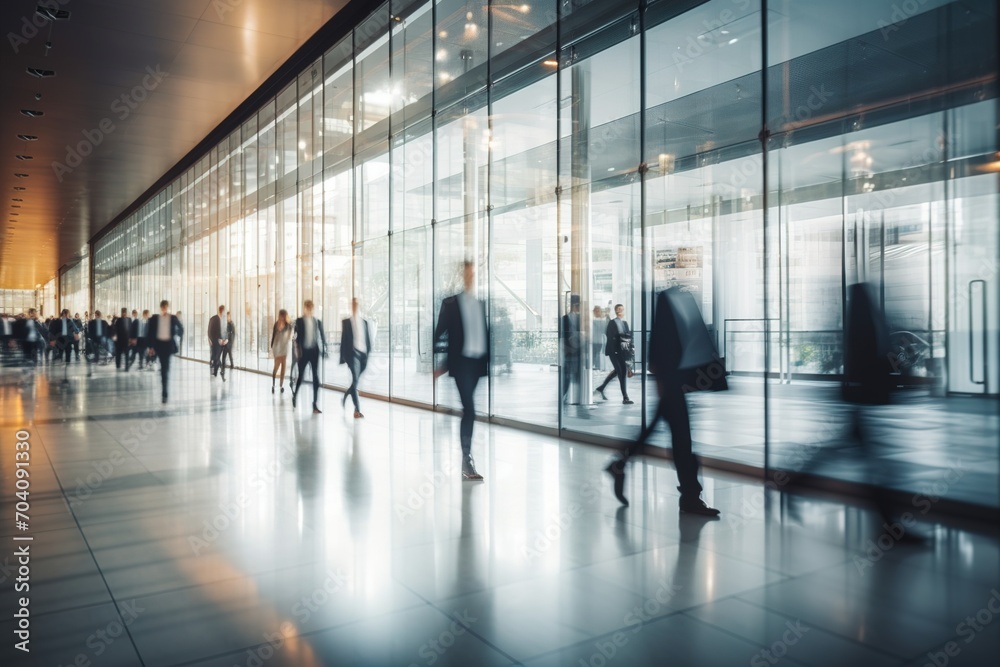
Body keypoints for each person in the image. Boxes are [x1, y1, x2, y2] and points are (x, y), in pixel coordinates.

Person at [604, 287, 723, 516]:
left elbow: (665, 343)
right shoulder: (671, 302)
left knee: (674, 437)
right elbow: (665, 344)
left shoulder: (671, 302)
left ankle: (621, 466)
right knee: (681, 440)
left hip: (673, 383)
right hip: (672, 384)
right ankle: (690, 496)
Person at [434, 260, 489, 481]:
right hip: (461, 364)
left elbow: (483, 335)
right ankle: (466, 460)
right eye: (466, 273)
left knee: (469, 410)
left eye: (472, 274)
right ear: (461, 276)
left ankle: (466, 460)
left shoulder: (480, 303)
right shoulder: (450, 303)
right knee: (470, 409)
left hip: (477, 365)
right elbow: (439, 333)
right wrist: (442, 366)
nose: (470, 277)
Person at [292, 300, 327, 413]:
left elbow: (321, 336)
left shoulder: (317, 321)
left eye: (311, 307)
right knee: (301, 376)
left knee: (316, 378)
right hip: (303, 352)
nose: (309, 309)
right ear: (304, 308)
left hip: (314, 351)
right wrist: (297, 351)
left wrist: (325, 348)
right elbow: (296, 338)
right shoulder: (299, 321)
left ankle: (315, 405)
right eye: (307, 307)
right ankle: (295, 395)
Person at [595, 303, 634, 404]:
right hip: (614, 351)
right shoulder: (612, 322)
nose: (620, 311)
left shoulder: (625, 323)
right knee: (622, 372)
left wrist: (629, 351)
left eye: (622, 309)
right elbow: (610, 336)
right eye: (618, 309)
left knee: (618, 371)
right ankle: (625, 397)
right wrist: (615, 350)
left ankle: (601, 387)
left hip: (623, 351)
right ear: (616, 311)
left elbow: (628, 338)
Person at [340, 298, 372, 419]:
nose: (355, 307)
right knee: (355, 380)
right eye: (353, 305)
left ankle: (346, 394)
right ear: (351, 306)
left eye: (356, 305)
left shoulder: (364, 322)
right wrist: (343, 357)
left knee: (355, 382)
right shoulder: (346, 322)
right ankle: (357, 410)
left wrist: (368, 353)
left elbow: (367, 339)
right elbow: (344, 340)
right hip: (352, 355)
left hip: (363, 355)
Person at [146, 300, 183, 403]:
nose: (164, 309)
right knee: (163, 368)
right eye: (163, 307)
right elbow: (149, 333)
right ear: (161, 307)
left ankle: (164, 391)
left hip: (167, 346)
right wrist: (150, 347)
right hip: (158, 345)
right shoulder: (154, 318)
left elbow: (181, 328)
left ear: (168, 307)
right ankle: (164, 389)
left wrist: (176, 335)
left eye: (166, 307)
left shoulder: (172, 318)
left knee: (165, 369)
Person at [561, 295, 582, 403]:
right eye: (579, 305)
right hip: (569, 350)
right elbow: (562, 336)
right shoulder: (564, 318)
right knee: (567, 374)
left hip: (578, 350)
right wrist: (566, 348)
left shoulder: (581, 319)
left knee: (578, 374)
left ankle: (577, 397)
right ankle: (564, 395)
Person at [270, 309, 292, 394]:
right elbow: (273, 336)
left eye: (283, 316)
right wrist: (272, 347)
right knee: (276, 366)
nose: (281, 318)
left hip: (284, 348)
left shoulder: (288, 326)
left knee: (283, 367)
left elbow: (289, 337)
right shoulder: (276, 324)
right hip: (277, 348)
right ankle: (273, 383)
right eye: (280, 316)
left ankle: (281, 385)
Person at [85, 310, 110, 376]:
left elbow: (107, 330)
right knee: (96, 348)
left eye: (97, 315)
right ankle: (97, 358)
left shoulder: (103, 322)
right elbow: (90, 331)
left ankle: (98, 358)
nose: (96, 316)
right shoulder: (92, 322)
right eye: (96, 315)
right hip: (95, 338)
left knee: (100, 347)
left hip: (101, 338)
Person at [207, 305, 228, 381]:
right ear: (220, 311)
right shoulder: (213, 319)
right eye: (224, 312)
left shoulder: (224, 320)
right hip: (215, 343)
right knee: (215, 358)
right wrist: (216, 340)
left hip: (223, 343)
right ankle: (215, 371)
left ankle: (221, 372)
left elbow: (225, 331)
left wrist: (226, 339)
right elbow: (210, 332)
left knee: (220, 358)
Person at [591, 306, 605, 371]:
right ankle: (593, 367)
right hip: (592, 340)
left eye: (598, 311)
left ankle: (597, 367)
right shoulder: (591, 320)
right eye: (595, 311)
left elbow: (603, 330)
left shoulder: (603, 320)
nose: (597, 312)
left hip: (599, 340)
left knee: (598, 354)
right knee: (593, 354)